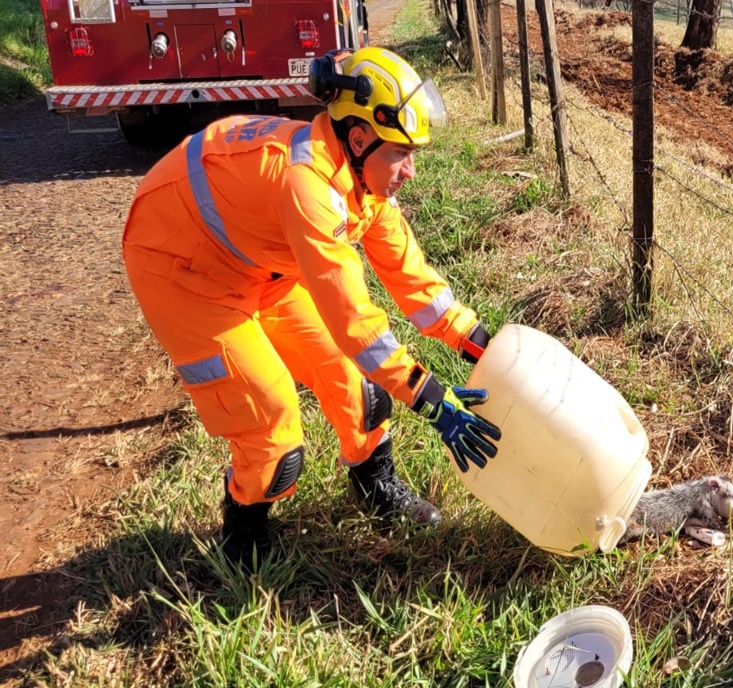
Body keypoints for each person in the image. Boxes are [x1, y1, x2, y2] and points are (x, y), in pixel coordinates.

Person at [121, 47, 501, 568]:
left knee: (357, 386)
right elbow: (356, 324)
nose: (411, 170)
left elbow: (412, 278)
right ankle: (242, 534)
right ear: (360, 138)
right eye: (401, 152)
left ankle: (374, 484)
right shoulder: (309, 188)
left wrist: (479, 342)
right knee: (272, 423)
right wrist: (431, 399)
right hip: (181, 266)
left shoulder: (362, 183)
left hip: (256, 264)